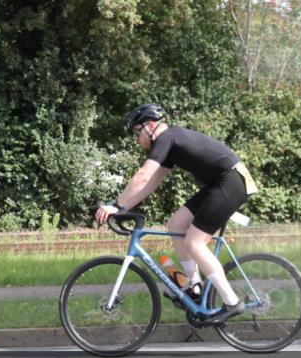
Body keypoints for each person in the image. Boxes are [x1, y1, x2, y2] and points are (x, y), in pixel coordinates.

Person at [94, 103, 259, 323]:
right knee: (176, 224)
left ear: (150, 126)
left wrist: (115, 205)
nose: (136, 139)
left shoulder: (166, 138)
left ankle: (231, 302)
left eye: (136, 132)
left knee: (194, 243)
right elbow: (151, 182)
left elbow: (143, 176)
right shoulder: (171, 143)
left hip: (230, 182)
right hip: (222, 182)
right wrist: (124, 207)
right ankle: (195, 286)